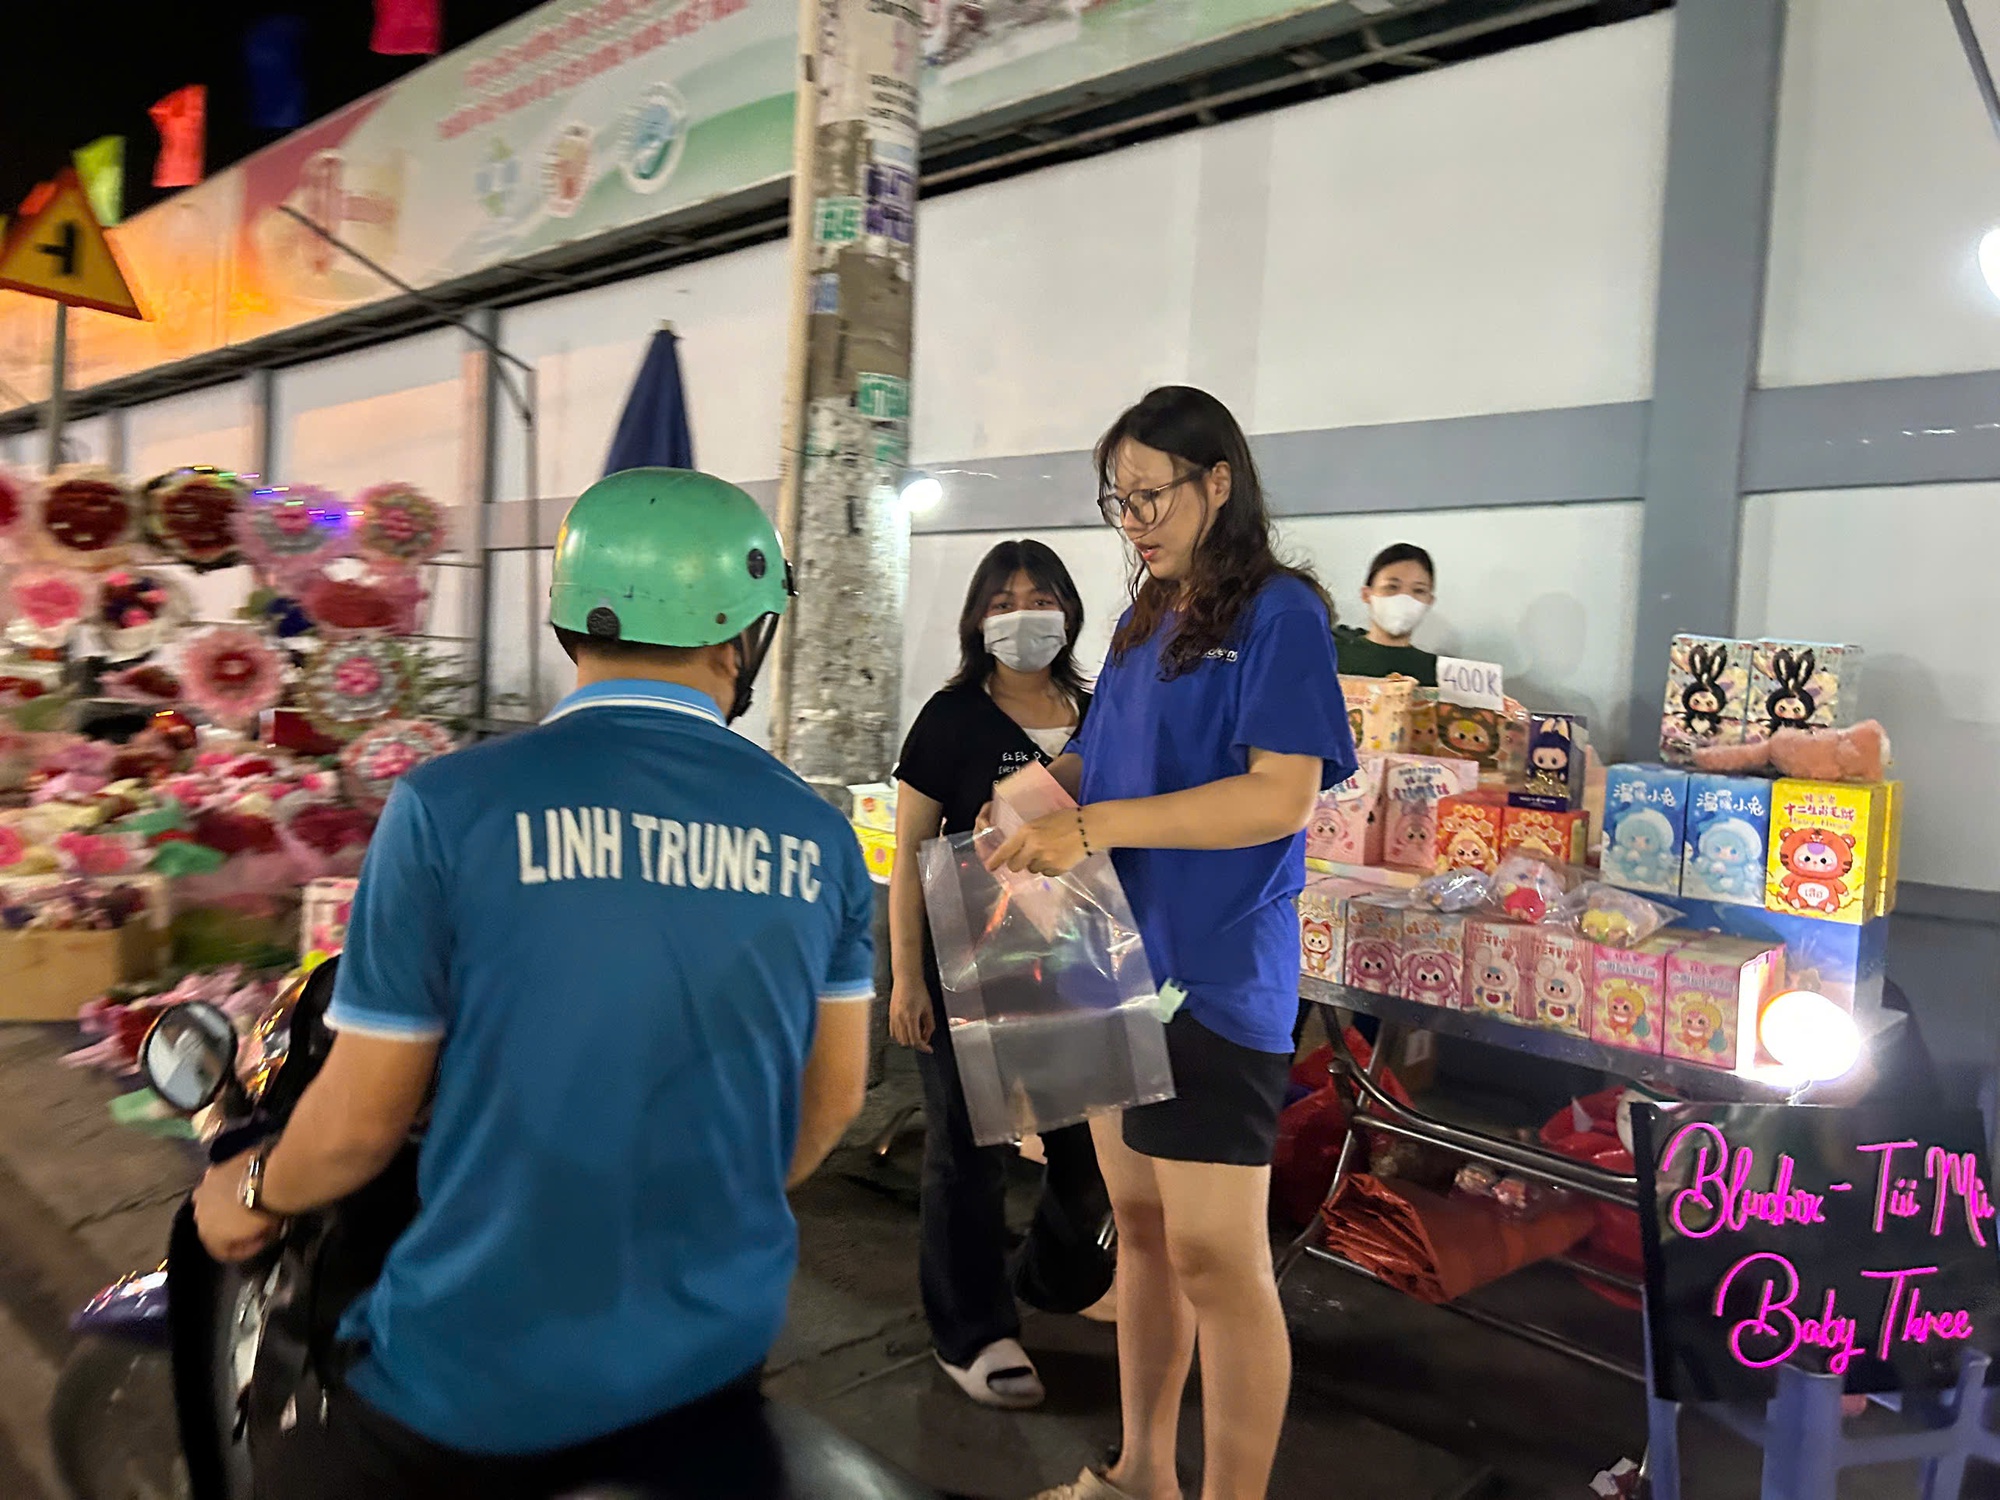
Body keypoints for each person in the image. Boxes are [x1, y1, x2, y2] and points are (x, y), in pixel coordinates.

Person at [189, 468, 877, 1500]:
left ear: (566, 621)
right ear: (744, 635)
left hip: (468, 1388)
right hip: (710, 1371)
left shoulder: (448, 808)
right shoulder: (820, 842)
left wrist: (245, 1190)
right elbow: (825, 1109)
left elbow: (359, 1127)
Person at [991, 387, 1357, 1500]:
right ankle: (1141, 1470)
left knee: (1219, 1262)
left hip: (1212, 977)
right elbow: (1106, 758)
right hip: (1114, 962)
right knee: (1140, 1236)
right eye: (1118, 500)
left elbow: (1276, 797)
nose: (1134, 520)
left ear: (1217, 482)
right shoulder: (1145, 615)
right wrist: (1034, 788)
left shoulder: (1279, 615)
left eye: (1150, 495)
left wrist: (1091, 823)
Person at [889, 541, 1113, 1410]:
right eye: (1002, 599)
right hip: (965, 971)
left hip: (1077, 970)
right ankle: (971, 1330)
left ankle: (1050, 1281)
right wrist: (908, 979)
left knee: (1087, 1150)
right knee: (969, 1157)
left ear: (1069, 609)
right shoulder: (950, 719)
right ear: (977, 619)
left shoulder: (1102, 712)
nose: (1024, 613)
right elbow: (911, 859)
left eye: (1042, 595)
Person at [1332, 542, 1438, 685]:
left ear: (1429, 601)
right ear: (1366, 594)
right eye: (1392, 587)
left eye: (1418, 590)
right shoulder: (1331, 655)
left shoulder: (1439, 672)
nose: (1404, 598)